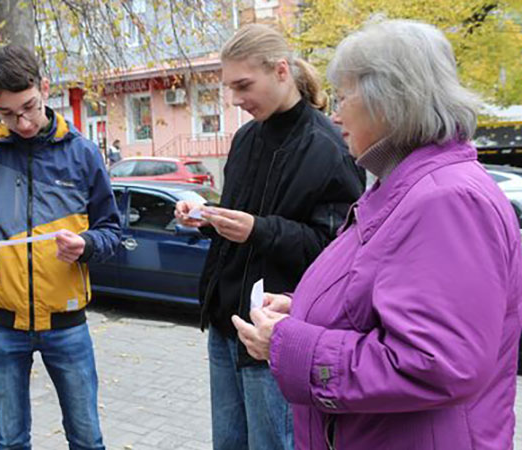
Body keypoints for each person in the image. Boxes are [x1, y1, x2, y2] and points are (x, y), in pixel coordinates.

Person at [232, 20, 522, 450]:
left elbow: (434, 363)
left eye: (345, 95)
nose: (335, 113)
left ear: (390, 99)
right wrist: (306, 311)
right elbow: (395, 303)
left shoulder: (445, 201)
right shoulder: (410, 188)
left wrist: (288, 343)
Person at [174, 24, 364, 450]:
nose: (236, 100)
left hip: (275, 333)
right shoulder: (245, 138)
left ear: (281, 71)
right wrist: (206, 218)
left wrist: (258, 229)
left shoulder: (329, 147)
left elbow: (339, 251)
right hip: (226, 324)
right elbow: (240, 221)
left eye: (243, 85)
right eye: (229, 88)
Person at [0, 44, 121, 450]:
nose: (23, 123)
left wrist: (86, 245)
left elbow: (112, 231)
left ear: (45, 88)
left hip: (67, 324)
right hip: (1, 325)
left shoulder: (82, 153)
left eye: (28, 106)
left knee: (87, 439)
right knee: (10, 441)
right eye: (7, 113)